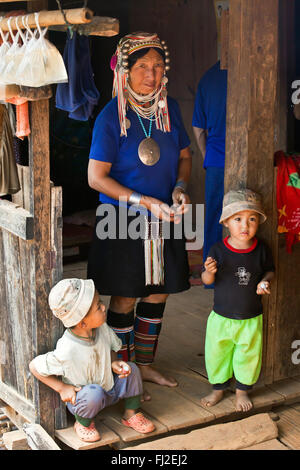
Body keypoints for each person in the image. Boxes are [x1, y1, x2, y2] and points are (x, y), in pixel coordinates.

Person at [87, 32, 192, 394]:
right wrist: (143, 201)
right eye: (142, 66)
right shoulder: (110, 117)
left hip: (166, 215)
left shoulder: (170, 110)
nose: (152, 74)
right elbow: (95, 178)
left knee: (158, 293)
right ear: (125, 71)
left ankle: (144, 366)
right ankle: (124, 370)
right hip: (122, 219)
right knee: (125, 294)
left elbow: (183, 156)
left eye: (158, 66)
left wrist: (180, 187)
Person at [29, 278, 155, 443]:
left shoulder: (102, 328)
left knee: (132, 369)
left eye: (100, 302)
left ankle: (130, 414)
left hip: (109, 389)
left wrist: (114, 363)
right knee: (93, 392)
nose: (104, 307)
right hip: (86, 398)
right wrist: (62, 388)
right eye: (98, 307)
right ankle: (83, 423)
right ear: (82, 322)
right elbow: (34, 366)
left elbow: (110, 347)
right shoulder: (67, 349)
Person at [201, 189, 275, 412]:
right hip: (221, 317)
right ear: (226, 222)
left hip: (251, 318)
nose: (245, 225)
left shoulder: (261, 249)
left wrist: (265, 282)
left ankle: (242, 391)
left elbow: (270, 271)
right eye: (238, 219)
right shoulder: (218, 250)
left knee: (248, 355)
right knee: (217, 353)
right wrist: (209, 271)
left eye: (252, 219)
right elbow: (207, 280)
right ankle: (218, 389)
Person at [192, 61, 227, 281]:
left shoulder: (208, 77)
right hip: (252, 153)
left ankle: (210, 276)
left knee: (215, 216)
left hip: (216, 158)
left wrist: (207, 155)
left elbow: (198, 127)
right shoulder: (253, 67)